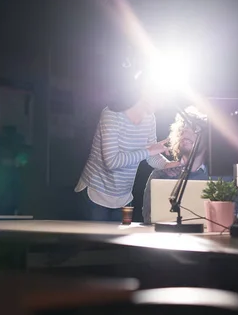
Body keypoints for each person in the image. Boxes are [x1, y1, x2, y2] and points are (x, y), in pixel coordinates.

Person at [75, 71, 181, 222]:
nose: (162, 103)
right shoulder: (112, 114)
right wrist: (148, 151)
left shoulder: (150, 119)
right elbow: (112, 162)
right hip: (96, 194)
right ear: (145, 91)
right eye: (161, 97)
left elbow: (150, 155)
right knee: (96, 245)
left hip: (123, 198)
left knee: (119, 246)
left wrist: (167, 165)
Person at [142, 113, 209, 224]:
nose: (185, 131)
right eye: (182, 128)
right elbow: (148, 219)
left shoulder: (220, 179)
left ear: (208, 140)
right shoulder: (159, 176)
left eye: (194, 128)